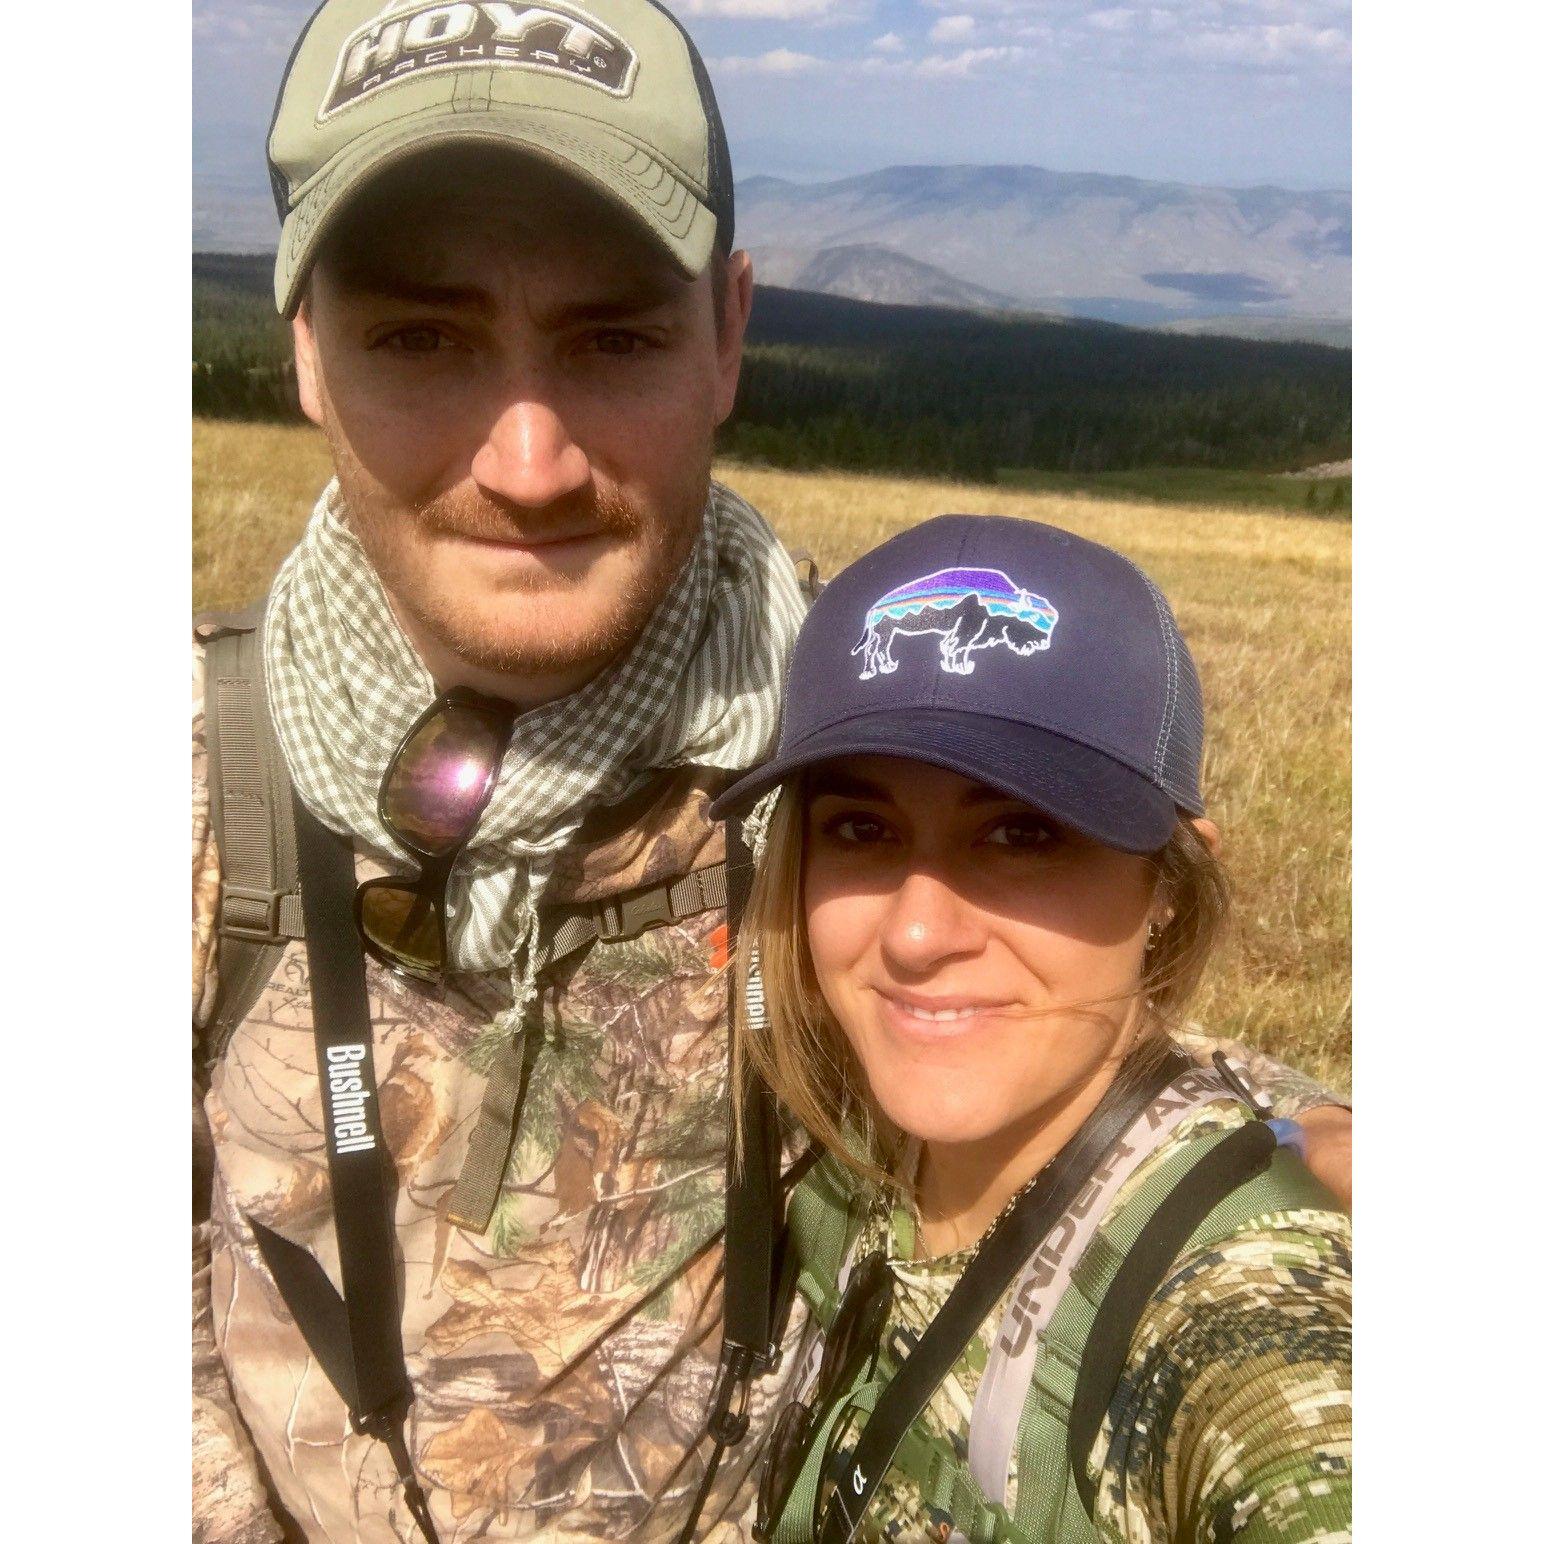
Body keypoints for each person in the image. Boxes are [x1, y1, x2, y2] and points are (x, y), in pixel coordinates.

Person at [192, 4, 1353, 1540]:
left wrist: (1287, 1141)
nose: (528, 462)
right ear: (307, 358)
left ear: (732, 333)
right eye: (420, 338)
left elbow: (1033, 996)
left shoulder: (835, 746)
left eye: (615, 337)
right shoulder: (184, 784)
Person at [710, 514, 1351, 1544]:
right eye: (860, 829)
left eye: (1021, 833)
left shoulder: (1239, 1314)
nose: (915, 933)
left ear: (1168, 890)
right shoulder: (836, 1124)